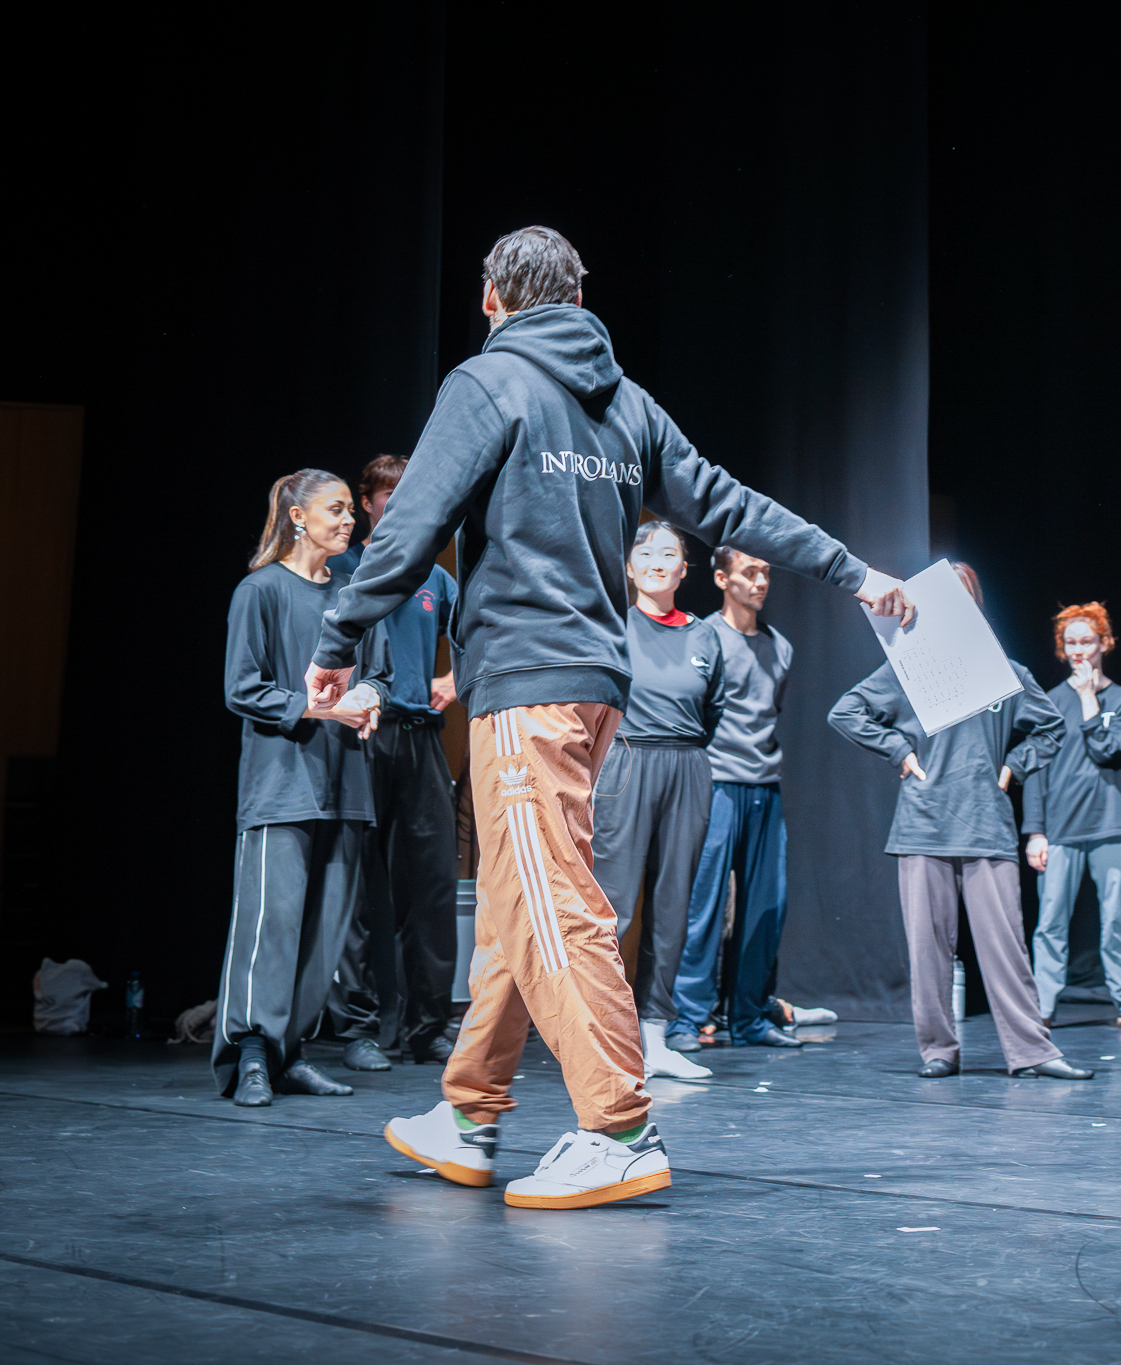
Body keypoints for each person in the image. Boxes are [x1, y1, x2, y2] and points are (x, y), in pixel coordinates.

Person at [306, 226, 910, 1209]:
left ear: (492, 297)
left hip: (526, 682)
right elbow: (728, 504)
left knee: (551, 901)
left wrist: (337, 640)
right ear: (579, 300)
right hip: (597, 690)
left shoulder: (488, 382)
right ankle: (468, 1114)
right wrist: (852, 569)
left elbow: (411, 524)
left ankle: (619, 1127)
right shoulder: (627, 402)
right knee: (517, 903)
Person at [829, 562, 1094, 1082]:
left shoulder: (1003, 672)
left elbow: (1051, 727)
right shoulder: (907, 670)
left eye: (962, 595)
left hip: (985, 823)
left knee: (1006, 947)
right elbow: (846, 711)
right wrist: (898, 750)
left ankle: (1032, 1051)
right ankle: (938, 1050)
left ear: (974, 606)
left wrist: (1013, 767)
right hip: (922, 824)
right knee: (928, 949)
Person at [216, 469, 386, 1106]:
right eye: (335, 509)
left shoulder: (351, 594)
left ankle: (291, 1054)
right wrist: (321, 709)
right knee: (272, 926)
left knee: (324, 934)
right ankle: (252, 1054)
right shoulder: (260, 591)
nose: (347, 520)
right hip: (282, 784)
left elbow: (381, 672)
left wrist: (371, 696)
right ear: (297, 517)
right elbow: (243, 688)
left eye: (349, 510)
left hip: (346, 782)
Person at [325, 455, 462, 1072]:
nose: (400, 503)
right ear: (369, 503)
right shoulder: (343, 570)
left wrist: (454, 679)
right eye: (388, 495)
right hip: (359, 737)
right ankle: (356, 1028)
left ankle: (427, 1028)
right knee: (354, 883)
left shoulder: (435, 577)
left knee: (432, 885)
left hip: (419, 736)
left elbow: (476, 637)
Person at [671, 546, 836, 1054]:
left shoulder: (780, 647)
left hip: (764, 785)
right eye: (749, 572)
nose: (760, 582)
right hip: (716, 784)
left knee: (767, 907)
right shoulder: (701, 637)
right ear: (722, 579)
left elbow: (768, 713)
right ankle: (687, 1019)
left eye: (765, 572)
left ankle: (748, 1017)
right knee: (704, 905)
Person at [588, 520, 725, 1081]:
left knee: (672, 908)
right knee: (614, 906)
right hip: (626, 762)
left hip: (687, 766)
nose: (656, 562)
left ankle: (655, 1038)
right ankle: (599, 1036)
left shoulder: (705, 636)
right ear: (628, 567)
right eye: (645, 554)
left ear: (684, 570)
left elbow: (712, 711)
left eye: (668, 554)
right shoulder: (613, 626)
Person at [1022, 602, 1121, 1031]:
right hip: (1060, 827)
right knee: (1051, 923)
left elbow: (1105, 750)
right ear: (1062, 649)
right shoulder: (1048, 702)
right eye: (1071, 643)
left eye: (1087, 642)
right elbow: (1036, 769)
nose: (1078, 651)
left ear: (1105, 644)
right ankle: (1042, 1009)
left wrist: (1087, 698)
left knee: (1118, 921)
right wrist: (1035, 832)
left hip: (1111, 824)